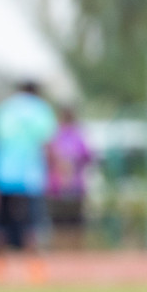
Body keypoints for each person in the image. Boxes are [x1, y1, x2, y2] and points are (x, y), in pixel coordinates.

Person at [0, 81, 58, 278]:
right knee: (33, 225)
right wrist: (54, 171)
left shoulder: (3, 109)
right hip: (30, 176)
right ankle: (36, 272)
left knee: (1, 225)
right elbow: (47, 144)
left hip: (3, 176)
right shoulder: (40, 109)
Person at [46, 106, 93, 250]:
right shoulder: (78, 136)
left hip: (58, 188)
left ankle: (62, 252)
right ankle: (73, 252)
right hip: (72, 187)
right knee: (73, 224)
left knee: (61, 223)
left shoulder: (54, 136)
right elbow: (88, 157)